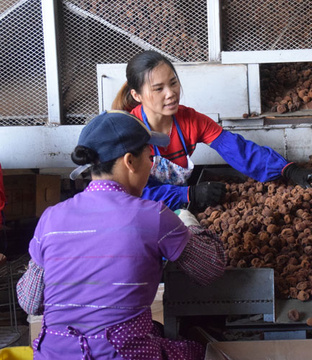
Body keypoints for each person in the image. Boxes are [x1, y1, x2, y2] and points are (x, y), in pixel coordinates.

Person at [16, 110, 226, 359]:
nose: (151, 165)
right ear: (129, 161)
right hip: (123, 353)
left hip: (53, 354)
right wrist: (189, 224)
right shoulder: (153, 215)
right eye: (150, 157)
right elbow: (210, 268)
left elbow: (30, 301)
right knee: (199, 350)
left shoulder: (51, 217)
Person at [111, 50, 312, 211]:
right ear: (136, 95)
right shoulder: (125, 132)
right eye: (158, 89)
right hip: (134, 211)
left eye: (173, 83)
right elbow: (129, 193)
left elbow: (238, 150)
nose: (171, 94)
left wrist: (288, 170)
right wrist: (187, 194)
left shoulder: (190, 120)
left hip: (174, 206)